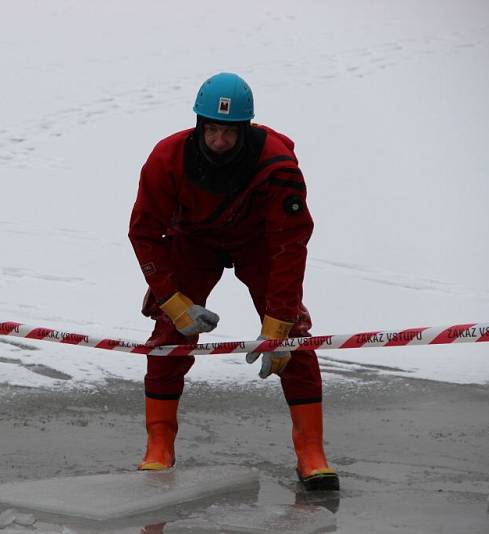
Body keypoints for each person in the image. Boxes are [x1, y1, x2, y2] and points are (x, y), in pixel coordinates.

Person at [128, 72, 339, 491]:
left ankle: (311, 451)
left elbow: (290, 242)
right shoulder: (165, 160)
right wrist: (171, 300)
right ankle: (159, 444)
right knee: (169, 334)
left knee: (294, 337)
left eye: (229, 132)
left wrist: (279, 320)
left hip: (257, 242)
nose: (219, 141)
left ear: (245, 129)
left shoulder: (277, 164)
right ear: (198, 126)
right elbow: (145, 233)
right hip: (193, 242)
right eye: (212, 130)